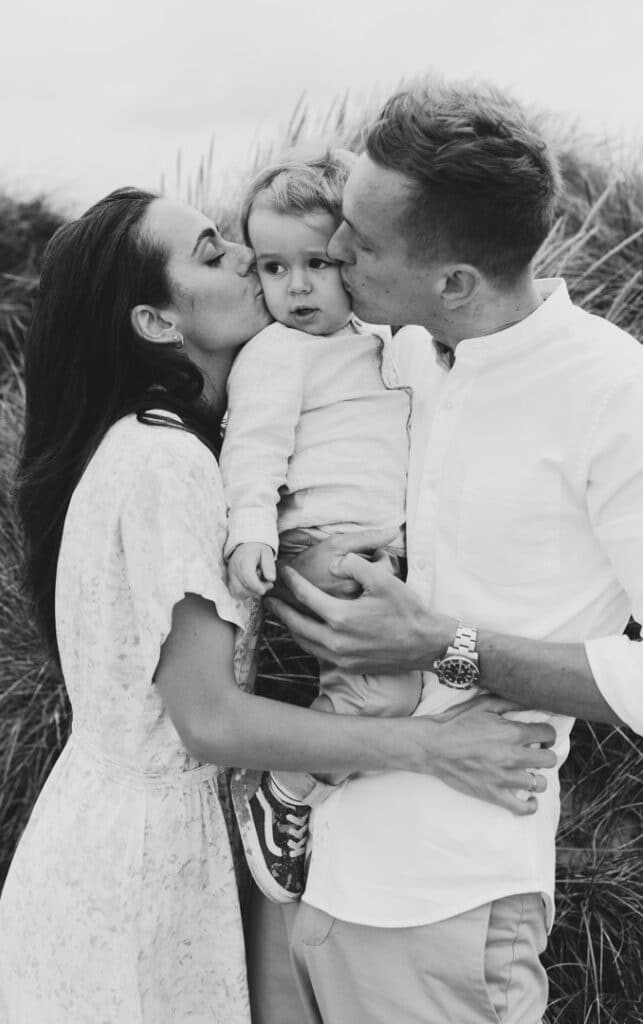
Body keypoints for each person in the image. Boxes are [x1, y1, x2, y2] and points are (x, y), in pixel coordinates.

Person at [0, 186, 555, 1023]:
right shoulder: (165, 463)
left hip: (140, 844)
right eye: (214, 253)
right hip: (137, 873)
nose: (249, 262)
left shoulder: (180, 445)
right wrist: (433, 747)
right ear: (155, 324)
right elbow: (208, 720)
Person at [258, 83, 643, 1024]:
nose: (336, 252)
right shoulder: (394, 359)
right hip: (306, 887)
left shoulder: (613, 398)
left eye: (361, 240)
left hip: (449, 903)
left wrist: (439, 645)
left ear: (456, 280)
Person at [220, 149, 421, 905]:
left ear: (353, 259)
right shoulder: (279, 352)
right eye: (272, 268)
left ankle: (320, 788)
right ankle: (283, 787)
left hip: (379, 544)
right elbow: (254, 446)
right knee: (386, 697)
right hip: (320, 547)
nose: (295, 286)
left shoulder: (378, 343)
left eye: (316, 262)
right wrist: (252, 531)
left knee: (400, 682)